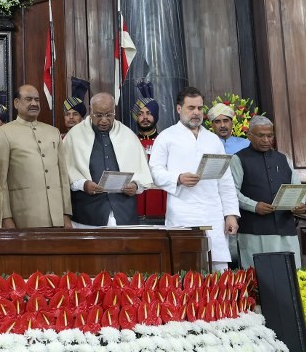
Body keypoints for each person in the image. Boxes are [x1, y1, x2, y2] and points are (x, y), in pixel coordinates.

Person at [149, 86, 240, 271]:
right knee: (185, 268)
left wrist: (230, 214)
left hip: (213, 213)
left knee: (218, 268)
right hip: (183, 213)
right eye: (191, 108)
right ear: (179, 108)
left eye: (200, 108)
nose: (196, 113)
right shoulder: (166, 137)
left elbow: (225, 181)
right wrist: (178, 178)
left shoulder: (213, 139)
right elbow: (154, 171)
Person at [63, 92, 152, 227]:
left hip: (124, 213)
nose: (104, 120)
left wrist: (135, 186)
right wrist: (83, 184)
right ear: (91, 111)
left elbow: (142, 172)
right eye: (99, 115)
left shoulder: (128, 135)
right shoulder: (74, 136)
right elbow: (65, 172)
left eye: (109, 115)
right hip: (87, 215)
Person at [0, 85, 73, 229]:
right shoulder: (3, 133)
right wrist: (6, 217)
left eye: (37, 100)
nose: (34, 103)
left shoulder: (53, 132)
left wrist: (66, 213)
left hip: (57, 218)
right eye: (28, 99)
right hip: (23, 217)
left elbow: (63, 177)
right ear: (16, 103)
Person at [230, 115, 305, 269]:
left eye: (269, 135)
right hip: (255, 231)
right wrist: (254, 206)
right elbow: (231, 192)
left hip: (286, 229)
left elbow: (297, 187)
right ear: (249, 136)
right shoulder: (238, 159)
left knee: (292, 275)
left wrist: (300, 204)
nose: (266, 140)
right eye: (261, 135)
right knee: (260, 278)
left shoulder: (283, 159)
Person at [131, 81, 167, 220]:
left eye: (149, 113)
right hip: (135, 201)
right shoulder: (130, 141)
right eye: (140, 113)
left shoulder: (165, 141)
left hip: (160, 200)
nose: (145, 117)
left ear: (156, 116)